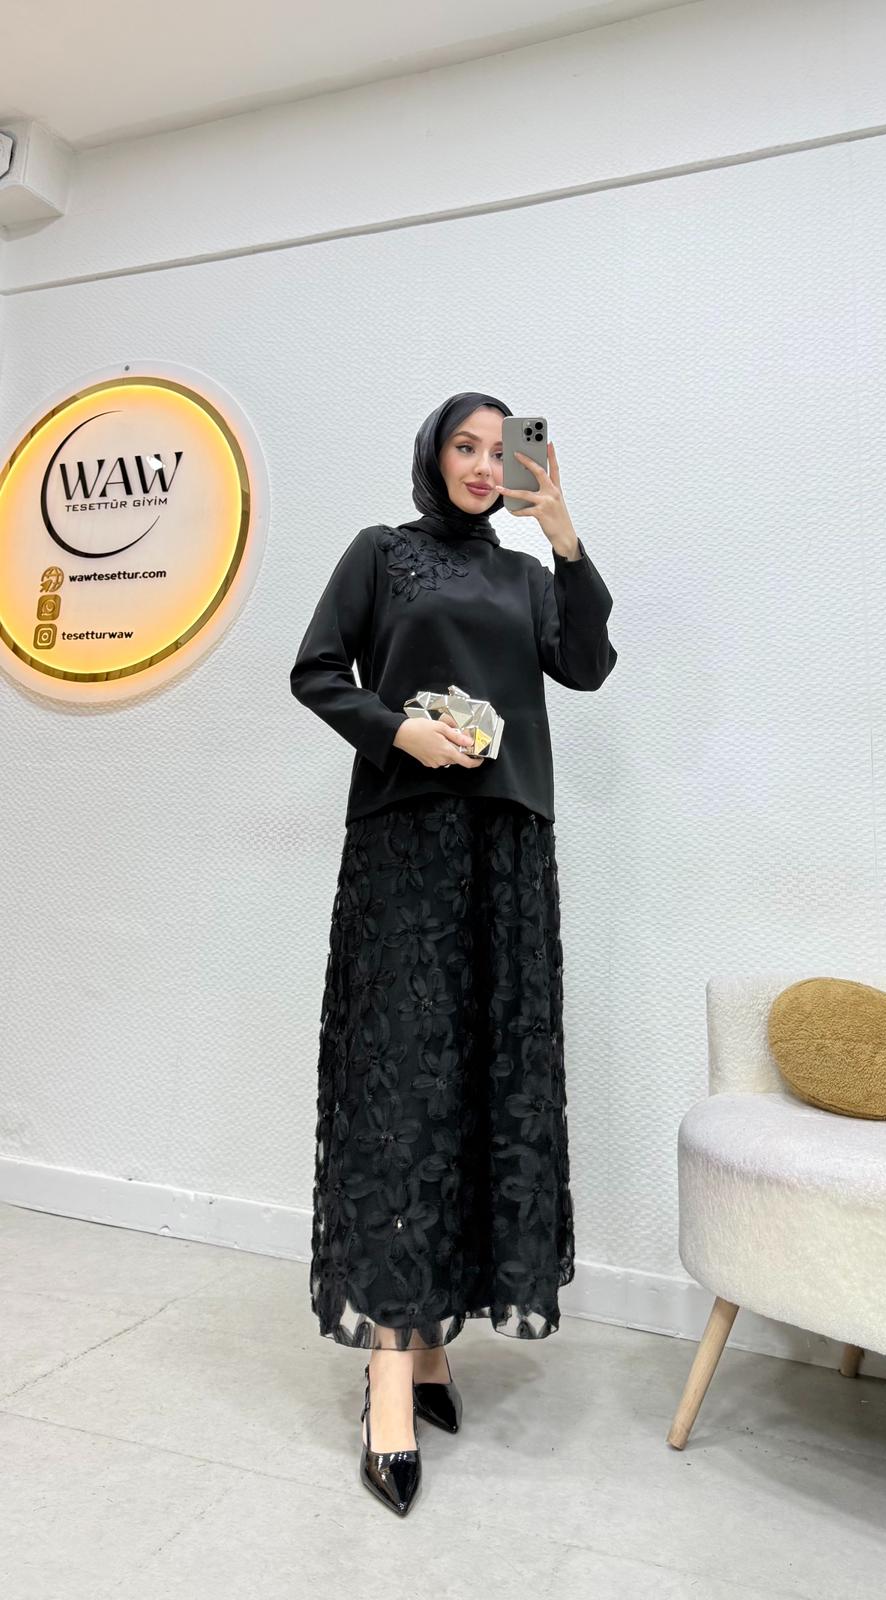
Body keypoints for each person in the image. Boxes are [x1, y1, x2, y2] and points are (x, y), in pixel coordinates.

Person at [289, 390, 617, 1515]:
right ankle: (390, 1376)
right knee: (404, 1095)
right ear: (432, 455)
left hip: (508, 851)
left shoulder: (528, 576)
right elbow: (316, 670)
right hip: (408, 846)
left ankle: (430, 1345)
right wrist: (399, 731)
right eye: (464, 447)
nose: (483, 465)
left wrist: (563, 533)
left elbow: (587, 664)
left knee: (481, 1087)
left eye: (499, 449)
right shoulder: (382, 555)